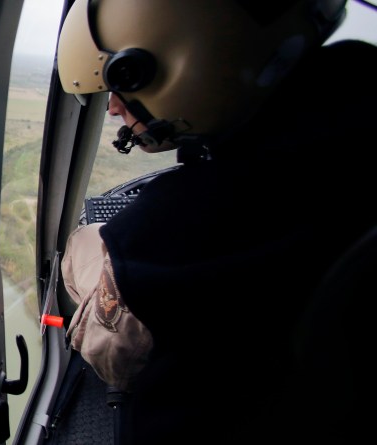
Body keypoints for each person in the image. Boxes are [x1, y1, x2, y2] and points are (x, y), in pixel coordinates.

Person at [55, 0, 377, 443]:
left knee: (85, 241)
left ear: (187, 61)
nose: (112, 108)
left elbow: (112, 355)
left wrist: (100, 249)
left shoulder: (191, 219)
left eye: (121, 83)